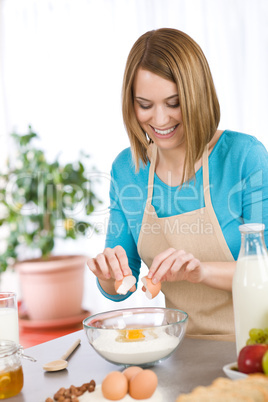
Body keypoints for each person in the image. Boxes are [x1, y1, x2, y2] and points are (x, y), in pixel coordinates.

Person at [87, 28, 268, 340]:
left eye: (174, 103)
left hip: (255, 347)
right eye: (145, 105)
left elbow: (265, 274)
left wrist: (201, 271)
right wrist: (108, 274)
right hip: (181, 350)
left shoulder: (243, 157)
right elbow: (120, 289)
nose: (160, 119)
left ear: (197, 96)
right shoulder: (127, 170)